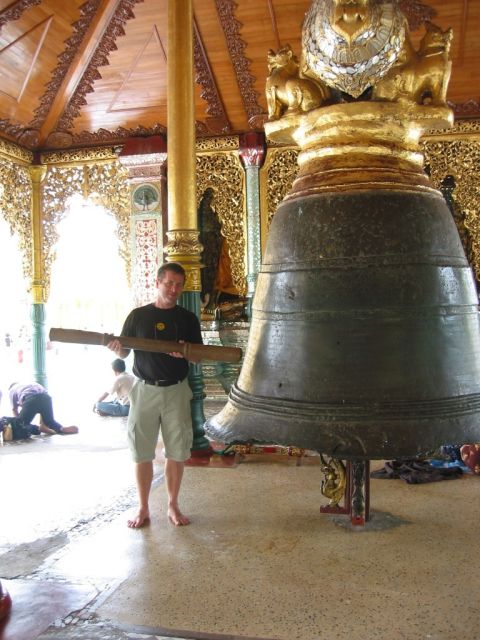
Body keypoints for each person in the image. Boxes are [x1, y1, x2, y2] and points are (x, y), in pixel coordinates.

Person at [107, 262, 202, 529]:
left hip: (176, 390)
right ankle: (143, 507)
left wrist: (185, 352)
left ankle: (172, 504)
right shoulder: (138, 316)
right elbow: (125, 351)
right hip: (145, 390)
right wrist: (117, 349)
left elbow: (197, 358)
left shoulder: (187, 319)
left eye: (179, 285)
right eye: (169, 283)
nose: (174, 289)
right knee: (142, 451)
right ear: (157, 283)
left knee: (177, 451)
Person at [8, 382, 78, 435]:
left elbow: (14, 410)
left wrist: (18, 423)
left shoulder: (12, 390)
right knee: (50, 421)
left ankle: (37, 429)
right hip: (46, 397)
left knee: (22, 424)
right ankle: (61, 428)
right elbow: (40, 404)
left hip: (31, 399)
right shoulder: (29, 384)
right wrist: (43, 423)